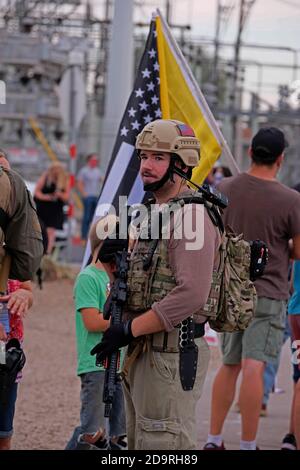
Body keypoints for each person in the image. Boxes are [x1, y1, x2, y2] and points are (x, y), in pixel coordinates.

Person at [91, 119, 221, 450]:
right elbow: (144, 280)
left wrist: (129, 330)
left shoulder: (191, 216)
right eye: (144, 156)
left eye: (158, 158)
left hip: (170, 353)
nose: (146, 165)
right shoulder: (156, 211)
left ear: (181, 164)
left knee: (163, 446)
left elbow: (192, 294)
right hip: (147, 351)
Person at [204, 126, 300, 450]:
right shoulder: (291, 200)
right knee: (255, 366)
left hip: (230, 291)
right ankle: (247, 444)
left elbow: (213, 238)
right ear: (281, 159)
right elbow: (298, 251)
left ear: (250, 152)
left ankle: (213, 439)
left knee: (229, 365)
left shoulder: (224, 187)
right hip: (270, 291)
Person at [65, 217, 126, 451]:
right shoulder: (88, 277)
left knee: (117, 432)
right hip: (95, 364)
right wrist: (127, 324)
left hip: (118, 365)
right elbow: (92, 321)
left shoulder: (118, 278)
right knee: (91, 431)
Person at [0, 279, 33, 450]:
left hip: (8, 362)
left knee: (4, 434)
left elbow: (28, 290)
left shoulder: (16, 257)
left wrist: (24, 295)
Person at [34, 162, 70, 255]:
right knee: (40, 229)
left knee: (51, 231)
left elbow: (66, 197)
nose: (56, 173)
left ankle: (47, 252)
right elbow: (37, 193)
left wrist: (59, 194)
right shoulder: (46, 177)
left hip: (55, 209)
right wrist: (46, 197)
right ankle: (38, 249)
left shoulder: (65, 179)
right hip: (43, 207)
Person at [77, 154, 104, 241]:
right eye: (93, 160)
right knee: (87, 217)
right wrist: (84, 194)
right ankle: (84, 237)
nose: (95, 162)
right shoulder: (84, 171)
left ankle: (92, 236)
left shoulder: (98, 171)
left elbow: (102, 180)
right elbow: (79, 183)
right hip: (88, 196)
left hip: (95, 196)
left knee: (94, 217)